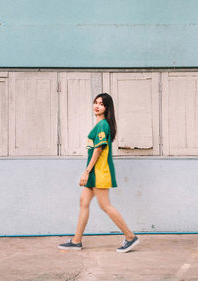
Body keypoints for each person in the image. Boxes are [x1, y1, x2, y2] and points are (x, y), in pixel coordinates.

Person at [58, 93, 139, 253]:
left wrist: (86, 172)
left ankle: (130, 237)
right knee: (84, 202)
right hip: (94, 172)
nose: (97, 106)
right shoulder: (99, 125)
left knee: (105, 206)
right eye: (95, 102)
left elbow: (98, 149)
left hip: (100, 172)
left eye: (101, 104)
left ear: (106, 108)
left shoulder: (103, 125)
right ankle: (76, 241)